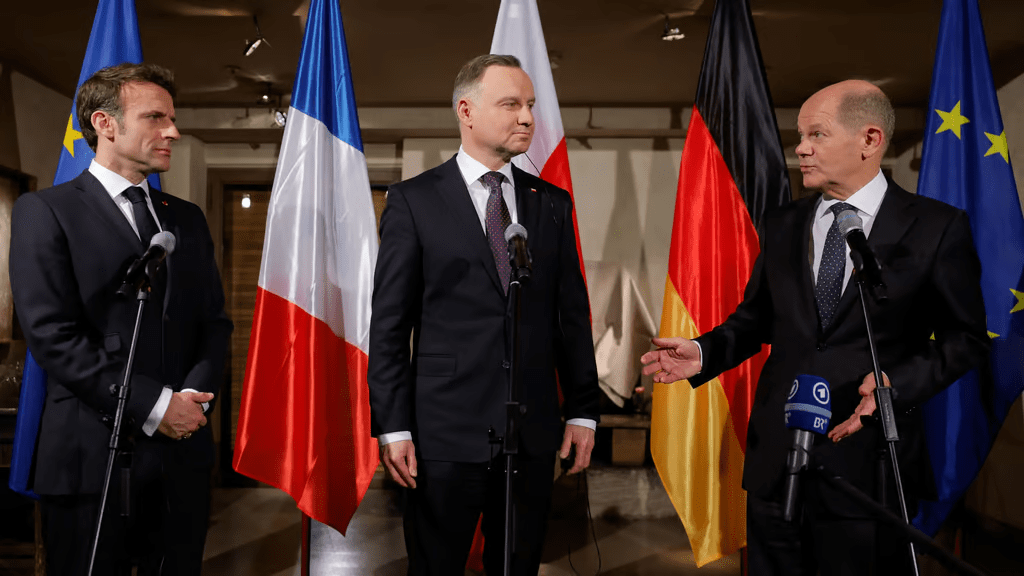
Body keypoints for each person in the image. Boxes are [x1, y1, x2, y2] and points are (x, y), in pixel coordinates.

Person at [641, 80, 989, 575]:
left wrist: (895, 386)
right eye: (800, 136)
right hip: (777, 462)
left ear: (869, 140)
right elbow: (755, 319)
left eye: (817, 135)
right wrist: (704, 352)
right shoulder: (783, 222)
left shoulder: (936, 227)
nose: (800, 148)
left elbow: (965, 338)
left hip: (868, 467)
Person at [368, 54, 600, 576]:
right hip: (442, 431)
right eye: (511, 104)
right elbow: (389, 328)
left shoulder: (552, 204)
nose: (527, 117)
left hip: (531, 432)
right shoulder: (413, 201)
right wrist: (393, 427)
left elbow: (571, 316)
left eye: (531, 105)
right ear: (466, 111)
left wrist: (583, 409)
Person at [9, 63, 232, 575]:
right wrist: (155, 404)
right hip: (90, 457)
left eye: (171, 118)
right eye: (155, 118)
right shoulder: (45, 212)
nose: (172, 131)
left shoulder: (186, 217)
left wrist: (190, 402)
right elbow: (53, 336)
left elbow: (214, 323)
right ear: (104, 123)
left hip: (181, 456)